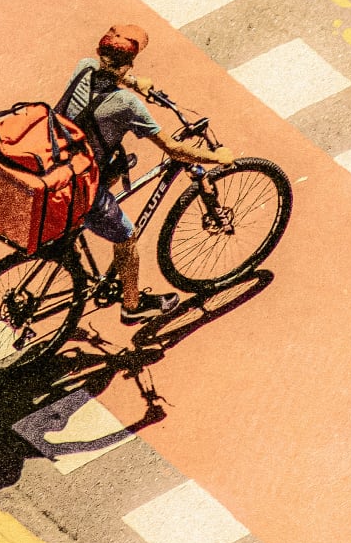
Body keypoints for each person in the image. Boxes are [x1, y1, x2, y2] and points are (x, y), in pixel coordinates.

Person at [62, 25, 233, 325]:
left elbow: (107, 76)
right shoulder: (127, 105)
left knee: (117, 160)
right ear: (128, 62)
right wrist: (216, 157)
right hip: (82, 185)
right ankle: (132, 305)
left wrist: (133, 81)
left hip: (57, 163)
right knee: (127, 237)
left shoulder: (83, 66)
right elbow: (174, 150)